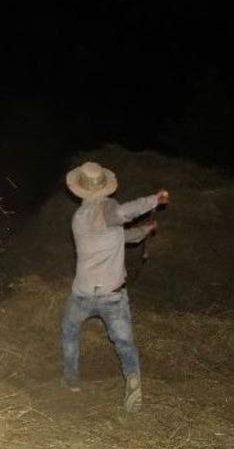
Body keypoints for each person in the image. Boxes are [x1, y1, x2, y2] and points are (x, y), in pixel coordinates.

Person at [61, 161, 169, 413]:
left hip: (83, 294)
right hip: (112, 295)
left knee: (69, 331)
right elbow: (124, 213)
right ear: (104, 186)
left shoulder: (78, 218)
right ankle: (132, 377)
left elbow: (120, 236)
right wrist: (155, 199)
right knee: (124, 343)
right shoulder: (109, 207)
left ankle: (71, 379)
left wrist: (145, 229)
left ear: (80, 188)